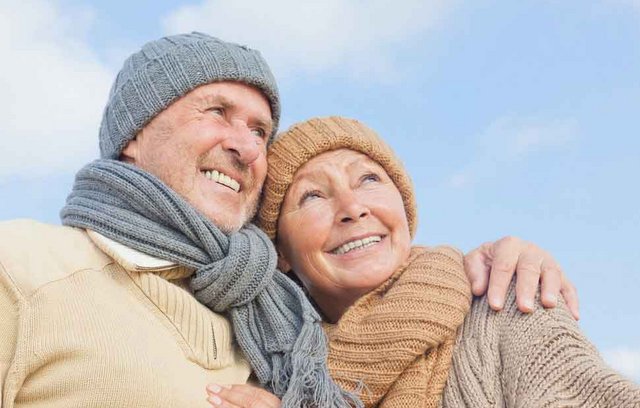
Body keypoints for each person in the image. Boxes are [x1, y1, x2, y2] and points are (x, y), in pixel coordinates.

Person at [0, 32, 572, 407]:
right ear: (133, 137)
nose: (245, 146)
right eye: (217, 112)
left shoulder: (265, 331)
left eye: (259, 131)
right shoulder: (24, 269)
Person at [207, 116, 640, 407]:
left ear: (404, 209)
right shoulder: (260, 368)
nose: (353, 207)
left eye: (369, 179)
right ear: (279, 250)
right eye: (313, 196)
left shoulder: (504, 304)